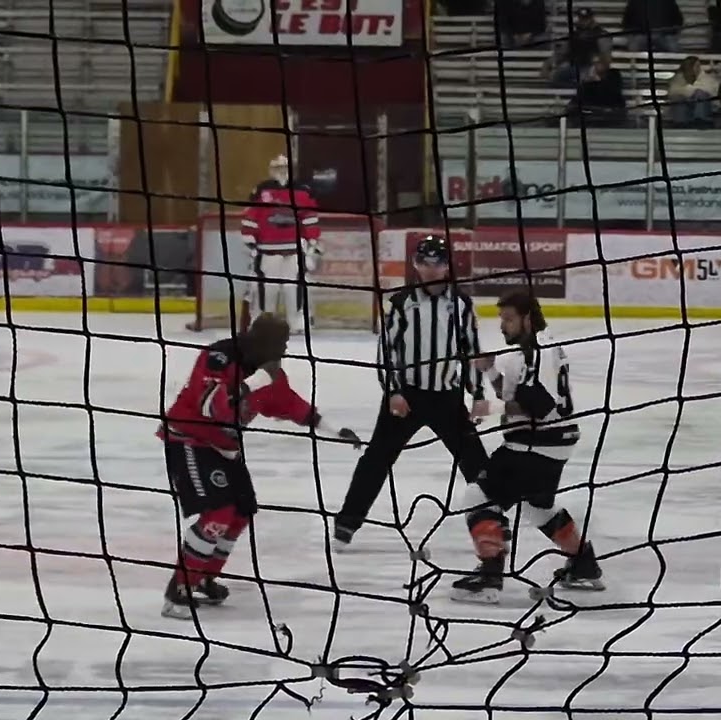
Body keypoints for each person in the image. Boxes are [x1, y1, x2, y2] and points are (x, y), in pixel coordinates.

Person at [157, 313, 360, 619]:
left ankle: (203, 577)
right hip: (189, 439)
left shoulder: (271, 375)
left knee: (240, 514)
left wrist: (334, 429)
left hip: (225, 448)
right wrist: (252, 384)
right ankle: (178, 591)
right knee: (218, 513)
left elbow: (293, 405)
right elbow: (210, 407)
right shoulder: (219, 357)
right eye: (281, 343)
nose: (286, 351)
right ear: (262, 342)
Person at [332, 235, 492, 550]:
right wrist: (393, 392)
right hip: (407, 397)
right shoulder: (401, 303)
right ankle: (346, 523)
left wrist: (477, 394)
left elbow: (471, 350)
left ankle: (494, 523)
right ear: (416, 266)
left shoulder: (461, 304)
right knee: (376, 460)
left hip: (447, 397)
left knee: (476, 462)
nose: (432, 270)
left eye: (438, 263)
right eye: (425, 263)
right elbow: (387, 353)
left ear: (448, 265)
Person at [451, 290, 603, 604]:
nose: (503, 326)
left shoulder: (537, 353)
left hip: (534, 444)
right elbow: (516, 396)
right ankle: (584, 565)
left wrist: (488, 409)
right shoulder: (536, 349)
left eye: (508, 319)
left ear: (527, 319)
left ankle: (490, 577)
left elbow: (538, 406)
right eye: (501, 319)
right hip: (553, 443)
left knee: (477, 497)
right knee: (538, 507)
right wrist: (491, 370)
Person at [240, 155, 321, 335]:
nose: (281, 171)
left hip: (294, 250)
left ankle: (297, 320)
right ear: (270, 170)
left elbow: (310, 218)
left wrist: (312, 244)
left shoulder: (303, 191)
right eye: (277, 168)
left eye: (284, 167)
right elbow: (252, 216)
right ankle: (263, 321)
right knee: (268, 287)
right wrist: (250, 240)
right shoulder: (262, 190)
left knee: (295, 287)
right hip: (267, 250)